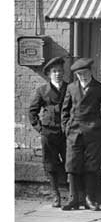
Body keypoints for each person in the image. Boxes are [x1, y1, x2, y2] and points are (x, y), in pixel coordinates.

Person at [61, 57, 101, 211]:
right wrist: (66, 127)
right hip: (74, 132)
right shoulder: (71, 88)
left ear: (91, 72)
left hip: (94, 132)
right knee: (72, 165)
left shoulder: (100, 88)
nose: (82, 77)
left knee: (92, 166)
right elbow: (65, 109)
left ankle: (90, 199)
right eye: (79, 74)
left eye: (85, 73)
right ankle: (73, 199)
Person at [28, 56, 68, 207]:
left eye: (60, 71)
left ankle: (71, 194)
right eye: (54, 71)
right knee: (50, 164)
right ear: (49, 74)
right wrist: (40, 129)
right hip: (49, 133)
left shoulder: (69, 88)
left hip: (65, 133)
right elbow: (32, 112)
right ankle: (56, 195)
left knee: (69, 162)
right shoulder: (42, 91)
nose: (58, 74)